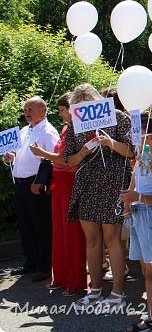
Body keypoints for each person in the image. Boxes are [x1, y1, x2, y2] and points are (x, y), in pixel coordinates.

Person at [60, 84, 133, 309]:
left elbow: (133, 151)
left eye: (87, 104)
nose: (83, 110)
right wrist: (83, 151)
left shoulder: (119, 117)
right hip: (87, 184)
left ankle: (118, 293)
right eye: (78, 106)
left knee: (112, 240)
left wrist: (109, 143)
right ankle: (95, 291)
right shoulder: (74, 126)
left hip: (113, 181)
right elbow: (68, 160)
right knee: (92, 240)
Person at [28, 93, 86, 295]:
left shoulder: (79, 129)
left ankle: (76, 281)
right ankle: (60, 277)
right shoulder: (65, 129)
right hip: (59, 185)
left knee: (72, 234)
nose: (60, 114)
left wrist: (43, 154)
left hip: (71, 184)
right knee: (59, 233)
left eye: (63, 110)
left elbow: (68, 159)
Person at [2, 97, 59, 282]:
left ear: (43, 111)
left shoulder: (48, 131)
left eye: (30, 109)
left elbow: (53, 160)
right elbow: (17, 154)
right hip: (20, 184)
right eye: (25, 109)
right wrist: (10, 157)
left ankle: (45, 265)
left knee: (41, 225)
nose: (27, 112)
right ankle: (31, 261)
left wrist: (40, 181)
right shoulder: (24, 130)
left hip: (36, 185)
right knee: (27, 225)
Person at [118, 115, 152, 332]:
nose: (134, 137)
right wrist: (127, 203)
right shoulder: (141, 157)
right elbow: (134, 182)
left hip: (150, 215)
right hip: (138, 214)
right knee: (147, 270)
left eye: (140, 133)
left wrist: (137, 197)